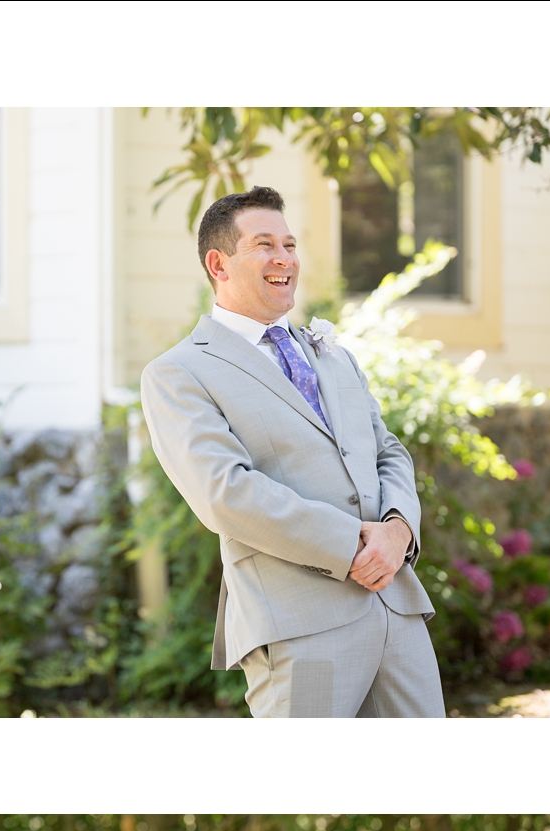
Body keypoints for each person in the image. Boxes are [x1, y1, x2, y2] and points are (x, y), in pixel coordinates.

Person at [140, 186, 445, 717]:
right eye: (264, 245)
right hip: (297, 622)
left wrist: (398, 530)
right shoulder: (179, 373)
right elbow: (225, 494)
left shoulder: (334, 354)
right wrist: (352, 544)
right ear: (219, 263)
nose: (284, 259)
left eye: (290, 244)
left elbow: (387, 451)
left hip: (396, 605)